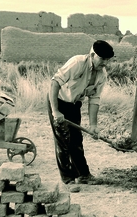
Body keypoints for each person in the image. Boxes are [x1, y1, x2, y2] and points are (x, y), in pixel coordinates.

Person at [47, 40, 114, 185]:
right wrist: (55, 111)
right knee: (63, 141)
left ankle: (83, 175)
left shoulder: (102, 75)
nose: (105, 63)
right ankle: (68, 179)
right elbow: (55, 83)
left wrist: (93, 125)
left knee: (76, 141)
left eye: (107, 60)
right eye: (102, 59)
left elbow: (94, 99)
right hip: (59, 101)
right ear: (92, 55)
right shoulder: (77, 62)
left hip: (74, 105)